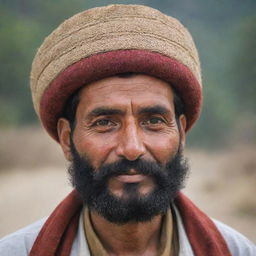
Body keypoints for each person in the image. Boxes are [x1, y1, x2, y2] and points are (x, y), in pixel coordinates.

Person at [0, 4, 255, 256]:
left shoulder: (236, 251)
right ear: (67, 140)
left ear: (182, 133)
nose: (132, 148)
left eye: (153, 121)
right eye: (104, 123)